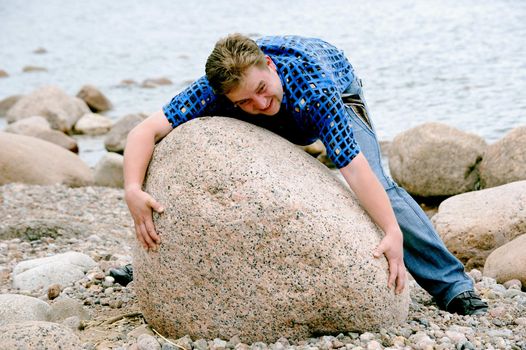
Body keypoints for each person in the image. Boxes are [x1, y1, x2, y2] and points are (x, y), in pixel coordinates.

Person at [111, 34, 487, 316]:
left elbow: (355, 171)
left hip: (340, 92)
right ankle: (161, 258)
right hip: (272, 108)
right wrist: (131, 189)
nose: (259, 103)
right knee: (190, 142)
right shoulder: (220, 90)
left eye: (261, 89)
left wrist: (391, 233)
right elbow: (144, 132)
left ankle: (452, 284)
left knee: (379, 189)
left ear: (270, 67)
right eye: (245, 100)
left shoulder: (315, 87)